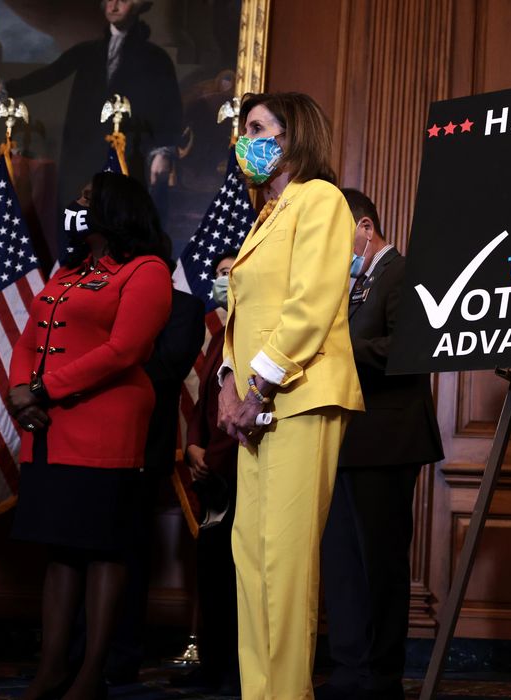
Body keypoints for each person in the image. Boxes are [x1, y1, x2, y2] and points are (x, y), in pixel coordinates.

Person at [218, 92, 364, 699]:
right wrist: (229, 382)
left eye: (255, 128)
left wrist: (257, 384)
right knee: (250, 561)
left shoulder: (320, 199)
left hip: (299, 396)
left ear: (290, 135)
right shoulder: (266, 213)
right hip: (257, 405)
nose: (242, 140)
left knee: (284, 566)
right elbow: (240, 309)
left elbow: (310, 306)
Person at [6, 170, 172, 700]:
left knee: (103, 549)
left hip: (105, 426)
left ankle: (89, 675)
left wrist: (41, 389)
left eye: (86, 198)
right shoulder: (70, 271)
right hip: (51, 428)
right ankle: (51, 669)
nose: (77, 206)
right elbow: (30, 335)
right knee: (61, 552)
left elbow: (125, 350)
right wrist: (19, 391)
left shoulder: (146, 271)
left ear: (115, 209)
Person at [318, 190, 444, 700]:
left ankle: (380, 678)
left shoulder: (402, 273)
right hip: (343, 440)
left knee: (379, 563)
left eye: (337, 236)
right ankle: (348, 672)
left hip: (388, 440)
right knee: (342, 564)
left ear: (364, 228)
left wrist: (338, 346)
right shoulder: (350, 284)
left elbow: (412, 347)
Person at [0, 0, 182, 226]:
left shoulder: (155, 59)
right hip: (83, 155)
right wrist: (2, 88)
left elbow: (169, 108)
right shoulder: (88, 51)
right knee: (78, 223)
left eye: (123, 0)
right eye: (110, 0)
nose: (114, 6)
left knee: (122, 223)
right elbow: (49, 75)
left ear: (137, 6)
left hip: (129, 156)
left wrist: (163, 151)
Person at [102, 236, 205, 683]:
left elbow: (165, 369)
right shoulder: (105, 297)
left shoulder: (184, 308)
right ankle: (78, 651)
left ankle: (122, 657)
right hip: (88, 446)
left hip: (145, 449)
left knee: (131, 554)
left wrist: (106, 364)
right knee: (85, 549)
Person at [175, 249, 241, 694]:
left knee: (238, 579)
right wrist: (192, 446)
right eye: (218, 274)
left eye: (231, 274)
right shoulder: (220, 332)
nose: (223, 281)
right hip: (209, 468)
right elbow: (204, 399)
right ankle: (213, 662)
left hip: (239, 468)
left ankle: (236, 668)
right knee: (212, 572)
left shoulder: (254, 327)